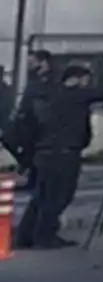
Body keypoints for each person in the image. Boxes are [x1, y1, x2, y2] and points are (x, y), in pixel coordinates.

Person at [14, 64, 103, 250]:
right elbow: (102, 92)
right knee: (58, 197)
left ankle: (24, 236)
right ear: (77, 78)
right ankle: (44, 237)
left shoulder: (53, 94)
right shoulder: (72, 95)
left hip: (44, 153)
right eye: (86, 80)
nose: (87, 85)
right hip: (64, 154)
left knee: (41, 197)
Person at [3, 50, 54, 192]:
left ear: (43, 62)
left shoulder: (50, 80)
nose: (30, 66)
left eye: (33, 62)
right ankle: (27, 169)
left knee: (35, 151)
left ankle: (34, 179)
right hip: (27, 121)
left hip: (39, 122)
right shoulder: (35, 79)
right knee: (10, 140)